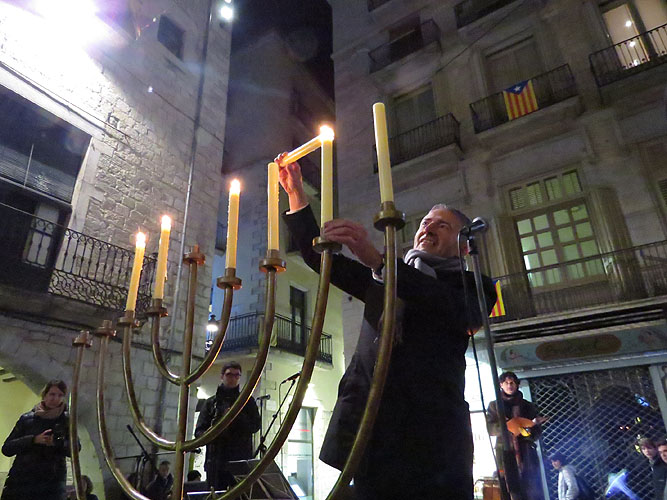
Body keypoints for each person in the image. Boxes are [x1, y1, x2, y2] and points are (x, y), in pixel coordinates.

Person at [278, 156, 497, 500]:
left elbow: (447, 306)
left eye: (442, 225)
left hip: (432, 445)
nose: (428, 228)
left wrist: (380, 262)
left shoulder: (472, 286)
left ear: (465, 245)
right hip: (373, 435)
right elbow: (321, 260)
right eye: (425, 222)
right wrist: (296, 196)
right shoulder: (383, 280)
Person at [1, 379, 76, 500]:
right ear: (44, 395)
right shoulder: (27, 419)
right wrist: (33, 440)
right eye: (52, 394)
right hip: (22, 482)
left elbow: (75, 449)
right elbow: (7, 448)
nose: (55, 399)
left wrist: (57, 443)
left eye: (60, 395)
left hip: (51, 484)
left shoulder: (67, 421)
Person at [194, 361, 261, 491]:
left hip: (239, 462)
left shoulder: (247, 401)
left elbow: (255, 426)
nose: (233, 378)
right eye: (229, 374)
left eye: (237, 375)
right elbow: (199, 432)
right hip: (216, 462)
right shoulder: (211, 403)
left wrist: (236, 416)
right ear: (222, 376)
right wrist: (213, 430)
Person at [486, 371, 547, 500]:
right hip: (505, 451)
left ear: (517, 385)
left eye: (512, 382)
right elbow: (491, 429)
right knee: (508, 485)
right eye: (506, 383)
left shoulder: (527, 406)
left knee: (531, 486)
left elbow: (536, 432)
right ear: (501, 385)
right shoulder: (494, 406)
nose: (509, 385)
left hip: (526, 451)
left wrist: (525, 430)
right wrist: (507, 427)